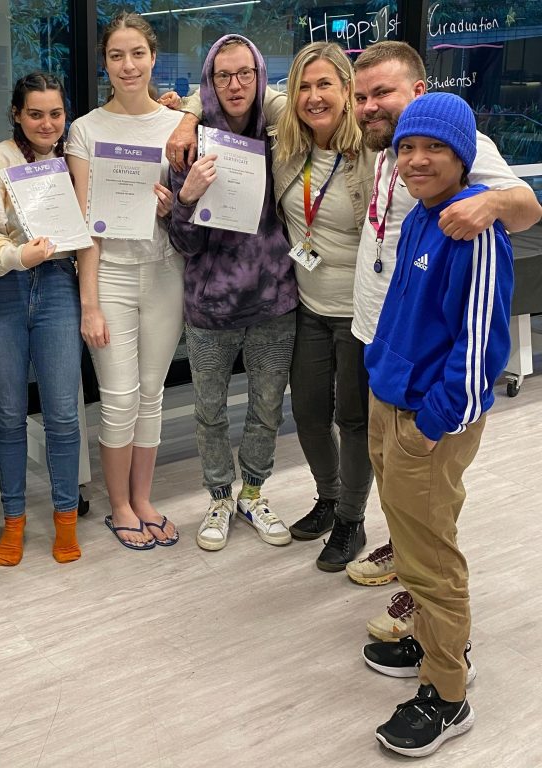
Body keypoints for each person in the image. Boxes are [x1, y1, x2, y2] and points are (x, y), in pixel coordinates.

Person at [346, 41, 541, 637]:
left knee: (429, 489)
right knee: (395, 480)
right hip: (384, 336)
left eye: (383, 92)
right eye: (362, 96)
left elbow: (526, 206)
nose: (370, 105)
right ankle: (404, 553)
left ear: (420, 94)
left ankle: (423, 586)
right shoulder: (388, 146)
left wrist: (487, 204)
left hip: (430, 355)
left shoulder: (452, 145)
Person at [361, 92, 514, 758]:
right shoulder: (424, 216)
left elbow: (480, 346)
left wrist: (431, 425)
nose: (417, 160)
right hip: (389, 401)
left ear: (464, 156)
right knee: (414, 538)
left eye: (435, 149)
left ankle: (448, 694)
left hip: (427, 420)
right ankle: (432, 639)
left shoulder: (472, 231)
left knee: (430, 563)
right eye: (408, 149)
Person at [168, 35, 297, 551]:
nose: (235, 85)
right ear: (209, 81)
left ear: (260, 76)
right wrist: (188, 194)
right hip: (210, 306)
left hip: (273, 300)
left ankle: (254, 492)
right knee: (210, 410)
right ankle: (219, 496)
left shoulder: (284, 137)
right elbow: (184, 241)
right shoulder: (190, 143)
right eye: (222, 76)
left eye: (245, 73)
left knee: (267, 407)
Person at [66, 12, 184, 550]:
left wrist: (174, 207)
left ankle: (142, 497)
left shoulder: (179, 126)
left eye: (137, 53)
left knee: (153, 394)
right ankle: (118, 504)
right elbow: (84, 223)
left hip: (165, 274)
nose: (128, 64)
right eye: (116, 55)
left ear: (153, 57)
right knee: (118, 398)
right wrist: (89, 304)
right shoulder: (86, 130)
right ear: (105, 63)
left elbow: (195, 207)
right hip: (110, 276)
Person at [0, 73, 83, 566]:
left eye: (55, 113)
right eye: (35, 113)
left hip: (58, 286)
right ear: (17, 113)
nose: (46, 123)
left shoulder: (71, 158)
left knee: (61, 412)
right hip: (4, 291)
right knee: (10, 415)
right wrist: (20, 256)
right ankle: (13, 520)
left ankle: (64, 519)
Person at [272, 42, 376, 570]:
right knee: (310, 415)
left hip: (360, 314)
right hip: (308, 305)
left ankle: (352, 519)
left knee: (352, 418)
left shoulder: (374, 155)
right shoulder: (289, 144)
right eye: (304, 87)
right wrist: (184, 114)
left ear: (347, 91)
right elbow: (231, 92)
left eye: (325, 86)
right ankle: (329, 498)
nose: (314, 97)